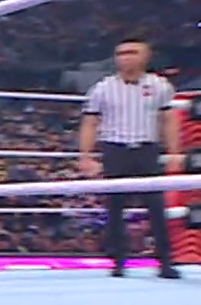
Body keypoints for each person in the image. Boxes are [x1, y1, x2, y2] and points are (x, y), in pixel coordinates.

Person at [77, 37, 182, 279]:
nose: (125, 57)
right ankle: (117, 261)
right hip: (114, 149)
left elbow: (169, 120)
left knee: (156, 207)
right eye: (120, 53)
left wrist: (175, 151)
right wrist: (86, 156)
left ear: (146, 56)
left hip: (147, 149)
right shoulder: (102, 88)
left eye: (132, 52)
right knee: (115, 208)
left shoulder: (160, 85)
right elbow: (90, 122)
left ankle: (165, 261)